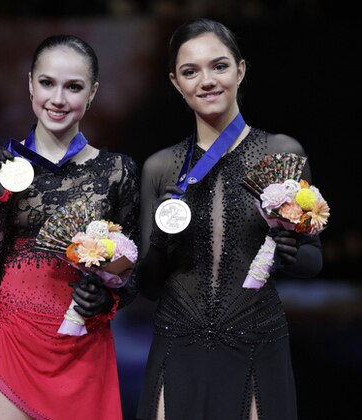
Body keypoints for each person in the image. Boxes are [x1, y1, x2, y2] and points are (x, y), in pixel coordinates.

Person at [135, 18, 323, 420]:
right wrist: (164, 243)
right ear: (175, 83)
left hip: (255, 338)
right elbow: (147, 285)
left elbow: (314, 261)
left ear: (240, 70)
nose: (206, 80)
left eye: (219, 66)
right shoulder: (160, 167)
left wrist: (289, 250)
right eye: (191, 71)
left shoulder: (281, 151)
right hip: (178, 341)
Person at [0, 34, 140, 420]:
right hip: (14, 337)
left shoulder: (117, 171)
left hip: (83, 342)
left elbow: (132, 268)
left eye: (73, 86)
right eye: (47, 83)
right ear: (30, 84)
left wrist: (111, 299)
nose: (57, 99)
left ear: (92, 93)